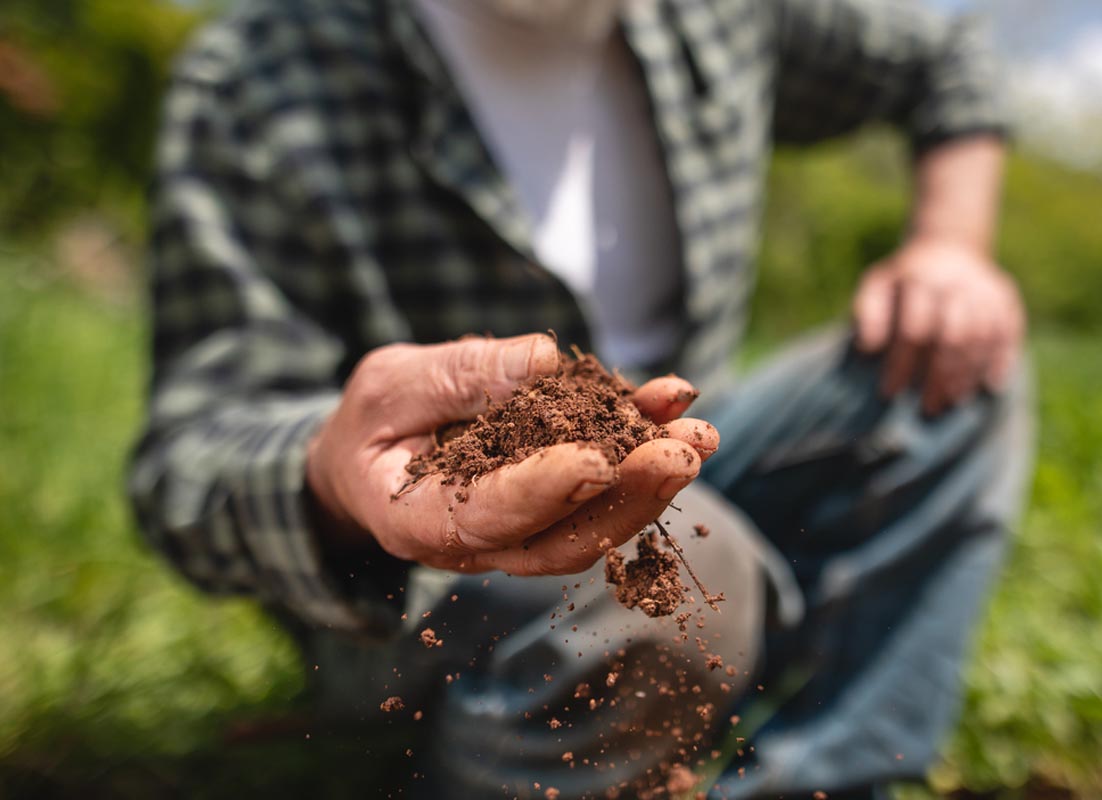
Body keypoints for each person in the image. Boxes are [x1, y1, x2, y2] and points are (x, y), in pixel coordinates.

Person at [129, 0, 1033, 796]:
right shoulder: (260, 76)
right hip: (408, 574)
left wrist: (950, 244)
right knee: (678, 574)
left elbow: (947, 57)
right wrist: (334, 469)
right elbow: (191, 458)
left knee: (951, 366)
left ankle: (824, 777)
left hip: (689, 452)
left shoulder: (719, 15)